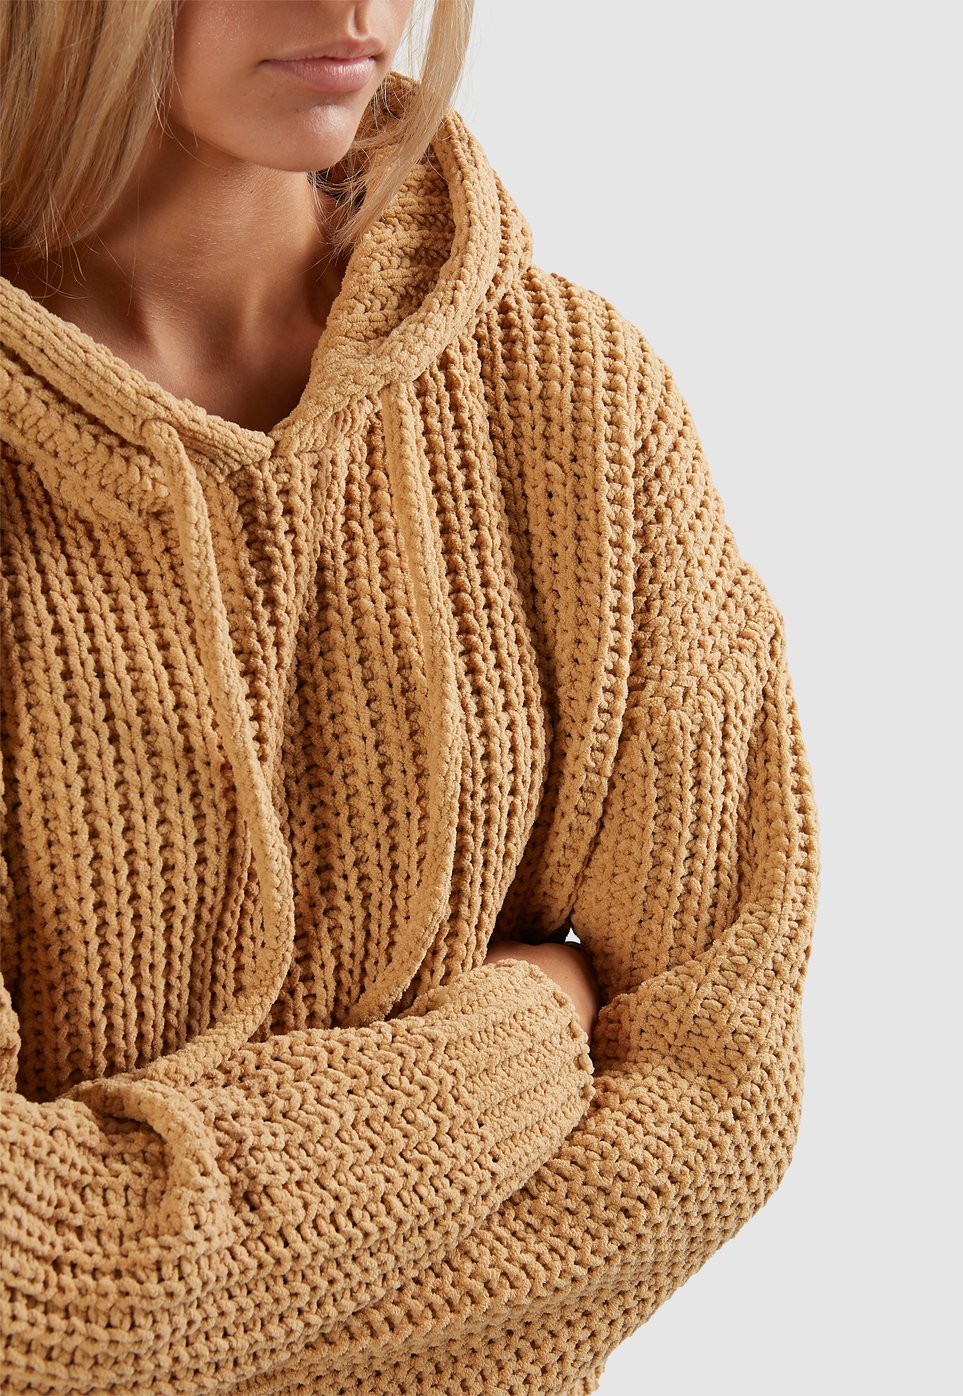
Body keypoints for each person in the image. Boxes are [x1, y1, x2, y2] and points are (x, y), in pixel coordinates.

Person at [0, 2, 820, 1393]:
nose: (354, 7)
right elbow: (28, 1291)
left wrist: (158, 1327)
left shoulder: (573, 402)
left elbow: (714, 1085)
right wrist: (527, 1036)